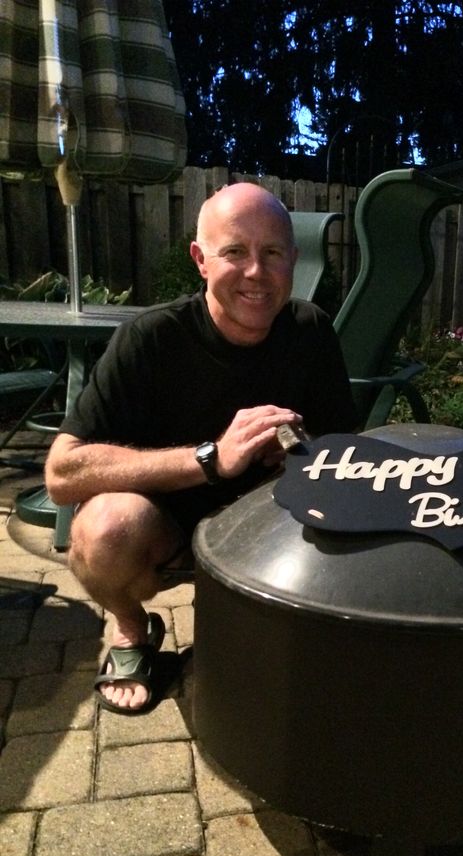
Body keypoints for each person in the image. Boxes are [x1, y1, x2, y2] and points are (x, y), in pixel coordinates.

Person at [45, 182, 357, 714]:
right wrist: (209, 458)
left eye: (273, 253)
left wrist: (305, 450)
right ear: (201, 260)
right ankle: (131, 629)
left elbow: (347, 454)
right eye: (235, 251)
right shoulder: (150, 339)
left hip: (267, 533)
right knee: (102, 532)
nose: (256, 272)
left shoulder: (311, 332)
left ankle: (272, 631)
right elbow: (62, 473)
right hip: (164, 530)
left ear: (293, 261)